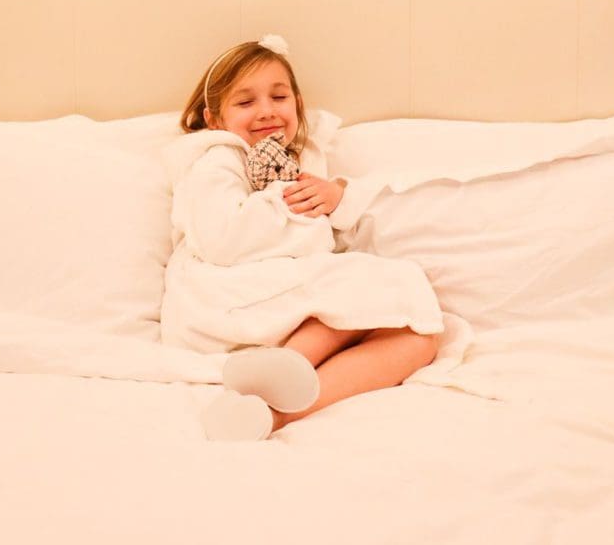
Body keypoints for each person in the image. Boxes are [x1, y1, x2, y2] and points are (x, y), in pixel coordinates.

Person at [161, 34, 445, 441]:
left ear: (297, 102)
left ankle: (271, 414)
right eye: (245, 102)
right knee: (382, 283)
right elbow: (223, 241)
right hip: (221, 299)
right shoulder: (216, 159)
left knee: (418, 337)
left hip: (280, 301)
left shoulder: (302, 158)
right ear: (214, 119)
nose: (266, 112)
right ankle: (287, 361)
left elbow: (332, 238)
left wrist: (335, 196)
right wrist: (287, 198)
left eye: (279, 97)